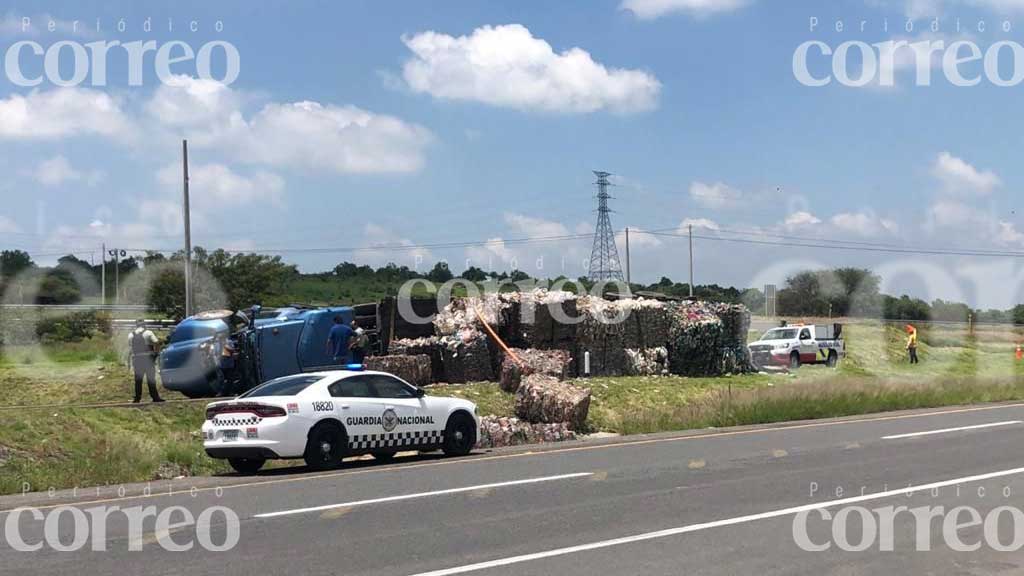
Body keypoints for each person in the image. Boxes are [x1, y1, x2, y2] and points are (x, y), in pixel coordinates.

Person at [128, 319, 164, 403]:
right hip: (148, 359)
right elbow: (156, 343)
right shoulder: (148, 333)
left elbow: (131, 346)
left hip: (137, 359)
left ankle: (137, 398)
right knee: (151, 379)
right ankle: (155, 397)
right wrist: (156, 353)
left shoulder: (130, 335)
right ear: (144, 325)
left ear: (136, 325)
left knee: (138, 380)